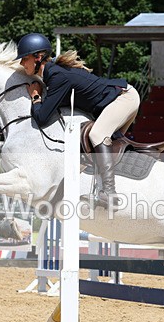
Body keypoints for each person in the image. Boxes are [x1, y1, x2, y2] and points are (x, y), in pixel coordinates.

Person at [18, 33, 139, 210]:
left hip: (124, 98)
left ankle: (110, 194)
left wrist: (35, 97)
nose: (22, 63)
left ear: (38, 57)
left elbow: (42, 118)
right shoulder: (53, 74)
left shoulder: (57, 76)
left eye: (25, 58)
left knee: (97, 134)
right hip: (117, 98)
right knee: (97, 146)